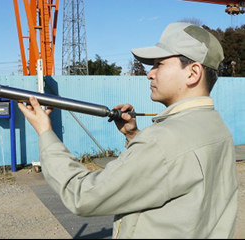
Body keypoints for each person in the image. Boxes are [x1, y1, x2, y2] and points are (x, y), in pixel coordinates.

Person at [18, 22, 238, 239]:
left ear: (193, 73)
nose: (150, 74)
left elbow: (82, 195)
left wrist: (45, 133)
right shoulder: (217, 129)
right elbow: (179, 170)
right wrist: (133, 135)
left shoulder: (162, 141)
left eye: (159, 64)